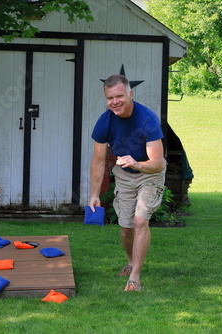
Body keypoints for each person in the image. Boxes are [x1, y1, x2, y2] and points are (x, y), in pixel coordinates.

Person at [89, 74, 166, 292]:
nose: (115, 102)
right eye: (110, 98)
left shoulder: (147, 119)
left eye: (119, 96)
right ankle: (130, 262)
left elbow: (158, 164)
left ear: (130, 94)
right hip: (124, 175)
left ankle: (134, 278)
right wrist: (94, 194)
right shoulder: (105, 122)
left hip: (148, 173)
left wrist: (136, 163)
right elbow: (98, 161)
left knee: (140, 221)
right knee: (126, 228)